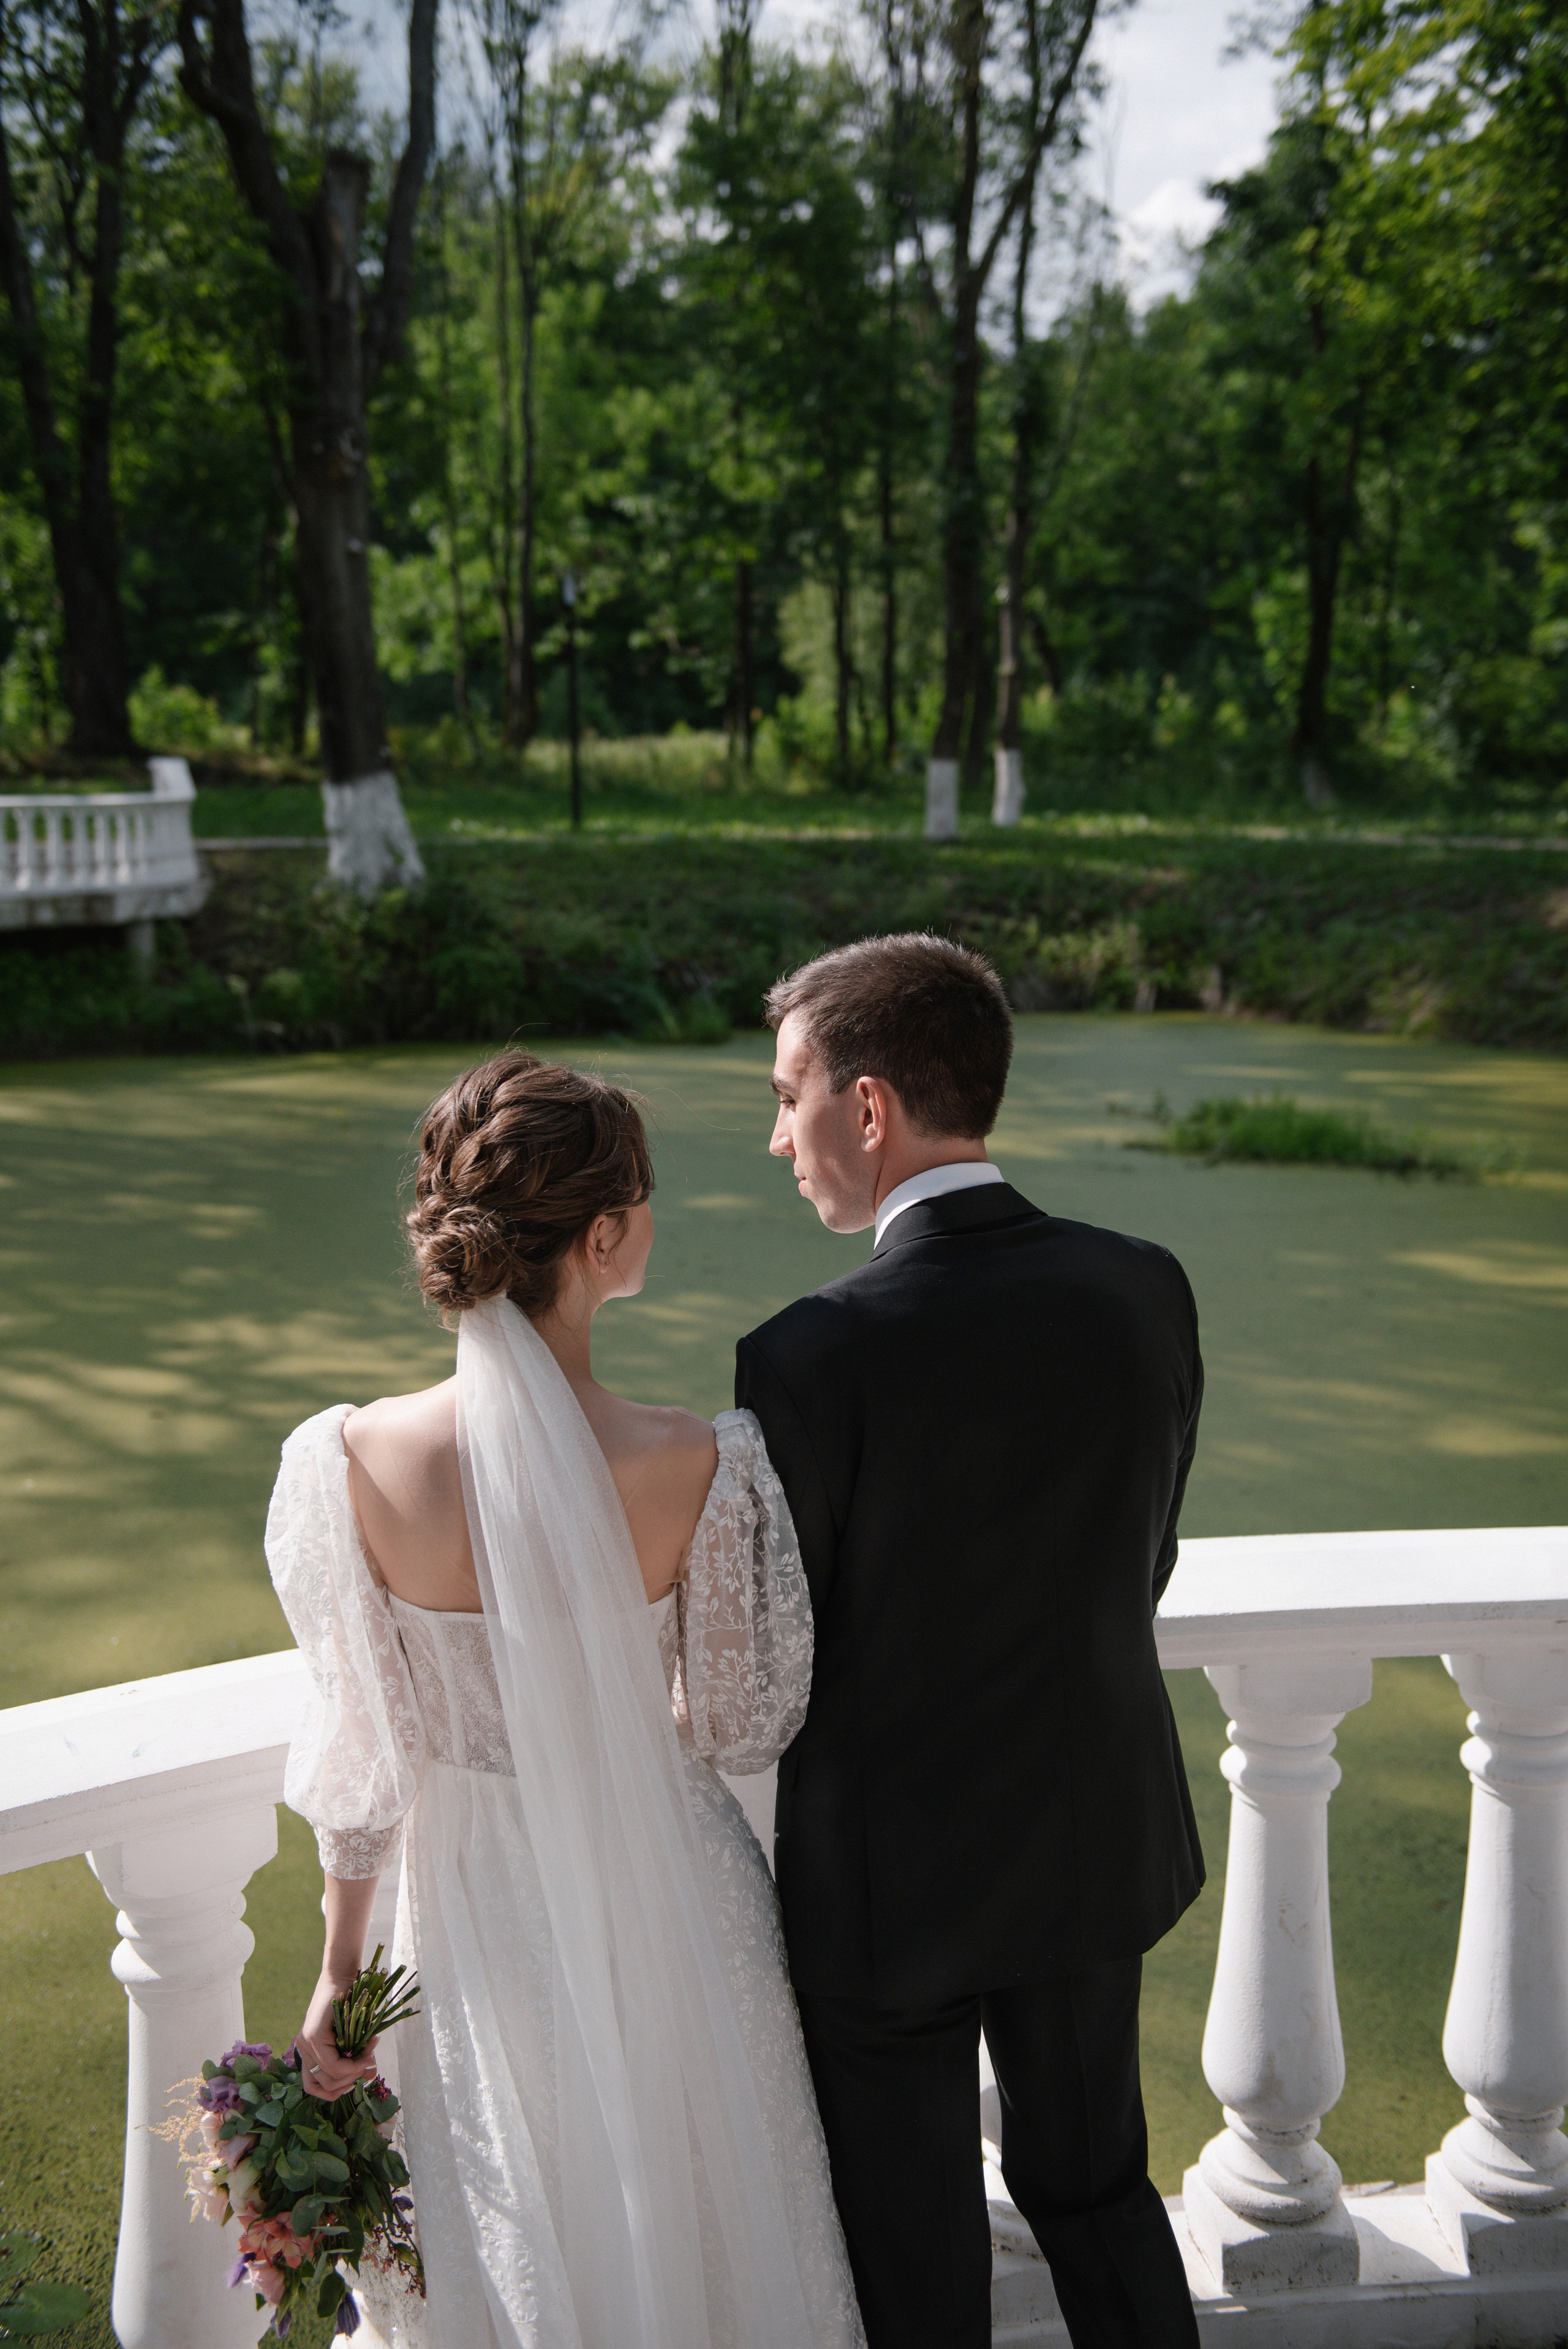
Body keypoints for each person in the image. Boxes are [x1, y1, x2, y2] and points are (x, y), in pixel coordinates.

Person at [268, 1054, 864, 2349]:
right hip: (666, 1886)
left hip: (467, 1906)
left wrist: (337, 1976)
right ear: (603, 1237)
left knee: (502, 2239)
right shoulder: (697, 1456)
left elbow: (361, 1762)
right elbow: (737, 1721)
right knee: (703, 2232)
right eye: (642, 1196)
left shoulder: (349, 1462)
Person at [735, 933, 1206, 2349]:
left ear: (866, 1108)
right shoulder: (1145, 1285)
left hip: (887, 1889)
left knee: (911, 2259)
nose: (778, 1138)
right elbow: (1145, 1559)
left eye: (787, 1096)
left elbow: (780, 1652)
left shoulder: (805, 1353)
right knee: (1098, 2196)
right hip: (1085, 1837)